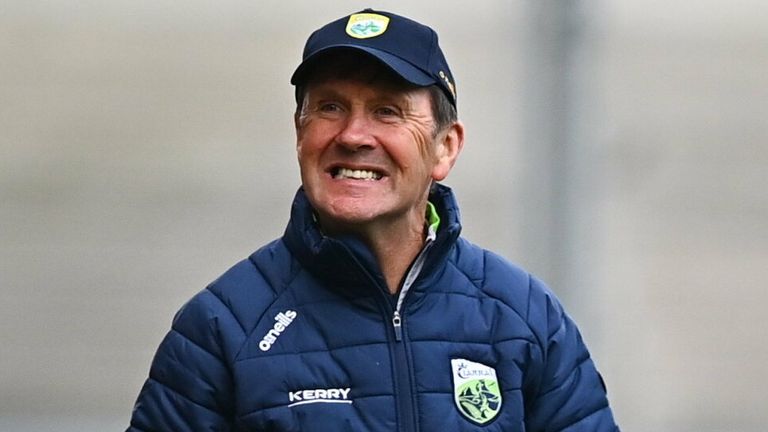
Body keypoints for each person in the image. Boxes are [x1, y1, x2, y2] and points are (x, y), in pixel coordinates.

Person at [127, 9, 618, 431]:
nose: (354, 134)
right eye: (330, 107)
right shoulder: (222, 328)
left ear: (445, 148)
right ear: (300, 134)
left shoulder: (523, 317)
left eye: (388, 111)